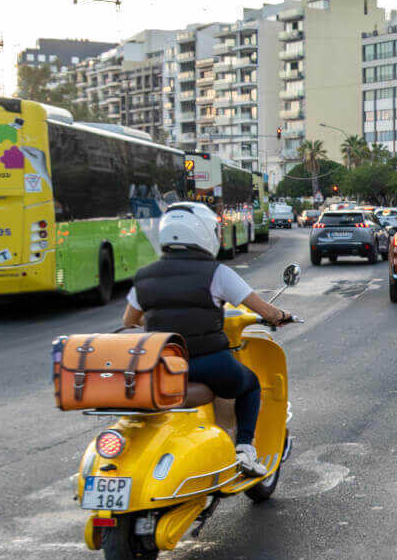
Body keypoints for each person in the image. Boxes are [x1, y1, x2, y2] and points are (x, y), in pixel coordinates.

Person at [120, 202, 291, 476]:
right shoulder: (216, 273)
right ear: (204, 234)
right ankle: (245, 448)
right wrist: (280, 314)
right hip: (208, 362)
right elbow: (261, 308)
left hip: (162, 364)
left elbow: (129, 320)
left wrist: (159, 322)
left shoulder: (143, 276)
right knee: (249, 384)